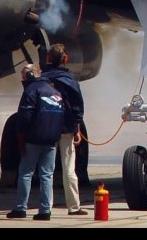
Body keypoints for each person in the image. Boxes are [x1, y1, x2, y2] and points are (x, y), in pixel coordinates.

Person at [7, 64, 65, 221]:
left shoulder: (31, 91)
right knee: (47, 176)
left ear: (30, 75)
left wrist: (20, 136)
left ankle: (20, 208)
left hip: (33, 140)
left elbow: (25, 116)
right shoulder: (55, 92)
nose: (22, 80)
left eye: (23, 76)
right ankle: (45, 211)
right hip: (51, 141)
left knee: (26, 174)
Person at [41, 43, 88, 216]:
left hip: (46, 127)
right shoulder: (70, 80)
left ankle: (46, 208)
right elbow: (77, 106)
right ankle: (73, 207)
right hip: (66, 128)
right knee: (69, 168)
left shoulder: (41, 79)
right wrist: (77, 127)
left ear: (48, 58)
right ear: (65, 59)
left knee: (47, 170)